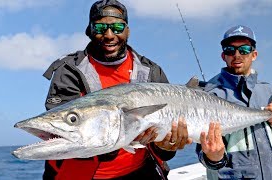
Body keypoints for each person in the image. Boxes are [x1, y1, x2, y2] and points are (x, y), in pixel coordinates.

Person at [42, 0, 191, 179]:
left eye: (118, 27)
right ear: (89, 31)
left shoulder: (151, 71)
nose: (109, 35)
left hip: (139, 171)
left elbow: (162, 147)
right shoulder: (69, 70)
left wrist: (167, 146)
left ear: (128, 30)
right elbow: (72, 137)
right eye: (99, 28)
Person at [196, 25, 272, 179]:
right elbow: (203, 152)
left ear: (254, 54)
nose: (237, 55)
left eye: (244, 50)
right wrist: (213, 158)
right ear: (223, 56)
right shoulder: (209, 94)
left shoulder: (269, 91)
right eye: (230, 50)